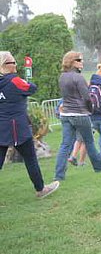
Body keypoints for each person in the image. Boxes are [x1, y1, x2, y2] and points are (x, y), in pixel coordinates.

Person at [0, 51, 60, 198]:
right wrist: (27, 79)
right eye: (12, 62)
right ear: (5, 65)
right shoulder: (14, 80)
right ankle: (41, 189)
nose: (15, 65)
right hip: (17, 128)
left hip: (2, 127)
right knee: (30, 158)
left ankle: (41, 188)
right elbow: (32, 88)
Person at [54, 51, 101, 181]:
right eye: (80, 60)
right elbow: (87, 98)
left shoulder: (62, 77)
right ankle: (100, 167)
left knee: (65, 145)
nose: (82, 62)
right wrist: (90, 109)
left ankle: (59, 175)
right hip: (80, 114)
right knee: (89, 142)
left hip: (66, 115)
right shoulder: (78, 78)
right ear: (72, 62)